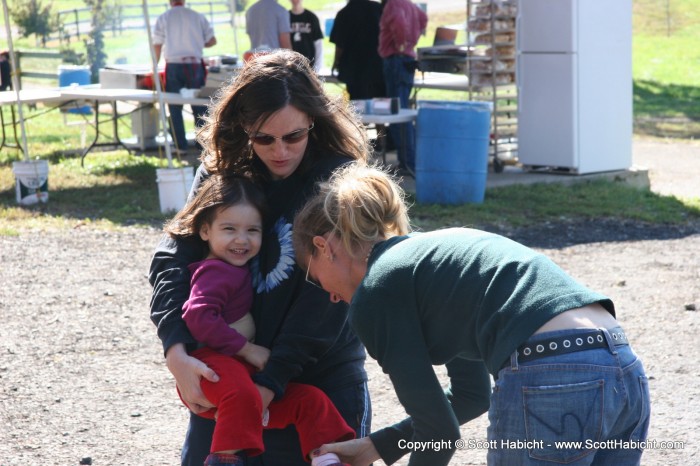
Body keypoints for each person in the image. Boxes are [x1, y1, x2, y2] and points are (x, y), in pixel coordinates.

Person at [292, 164, 652, 466]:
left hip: (551, 371)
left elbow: (438, 433)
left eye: (317, 278)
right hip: (621, 362)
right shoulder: (432, 261)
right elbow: (471, 395)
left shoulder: (376, 292)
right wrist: (377, 446)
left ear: (324, 247)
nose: (333, 297)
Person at [149, 50, 372, 466]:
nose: (280, 151)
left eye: (294, 137)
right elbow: (173, 257)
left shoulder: (341, 182)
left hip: (319, 386)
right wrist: (176, 350)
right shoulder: (225, 171)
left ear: (314, 123)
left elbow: (328, 298)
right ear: (243, 129)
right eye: (264, 138)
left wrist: (270, 382)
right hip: (231, 382)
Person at [163, 174, 355, 466]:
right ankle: (225, 458)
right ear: (204, 231)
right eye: (229, 229)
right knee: (241, 393)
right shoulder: (215, 271)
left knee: (309, 400)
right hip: (214, 369)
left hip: (243, 382)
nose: (242, 239)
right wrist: (247, 349)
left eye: (252, 230)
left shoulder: (239, 267)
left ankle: (327, 456)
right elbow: (198, 315)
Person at [153, 0, 217, 153]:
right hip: (194, 64)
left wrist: (154, 65)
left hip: (174, 65)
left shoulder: (164, 17)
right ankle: (204, 146)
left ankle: (180, 145)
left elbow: (157, 43)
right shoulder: (197, 16)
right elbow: (212, 41)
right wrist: (197, 43)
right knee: (199, 105)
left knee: (174, 106)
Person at [378, 0, 427, 174]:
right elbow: (423, 18)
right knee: (403, 110)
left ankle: (409, 162)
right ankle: (408, 160)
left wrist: (402, 43)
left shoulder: (393, 4)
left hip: (396, 60)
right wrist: (412, 41)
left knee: (398, 114)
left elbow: (399, 22)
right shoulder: (410, 5)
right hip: (405, 60)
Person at [329, 0, 386, 100]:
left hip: (354, 70)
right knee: (380, 104)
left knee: (358, 107)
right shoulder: (378, 9)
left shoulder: (344, 13)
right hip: (378, 67)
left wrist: (336, 62)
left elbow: (340, 45)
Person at [289, 0, 324, 73]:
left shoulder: (311, 17)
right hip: (289, 65)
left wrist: (317, 68)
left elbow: (318, 44)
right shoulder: (285, 17)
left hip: (309, 65)